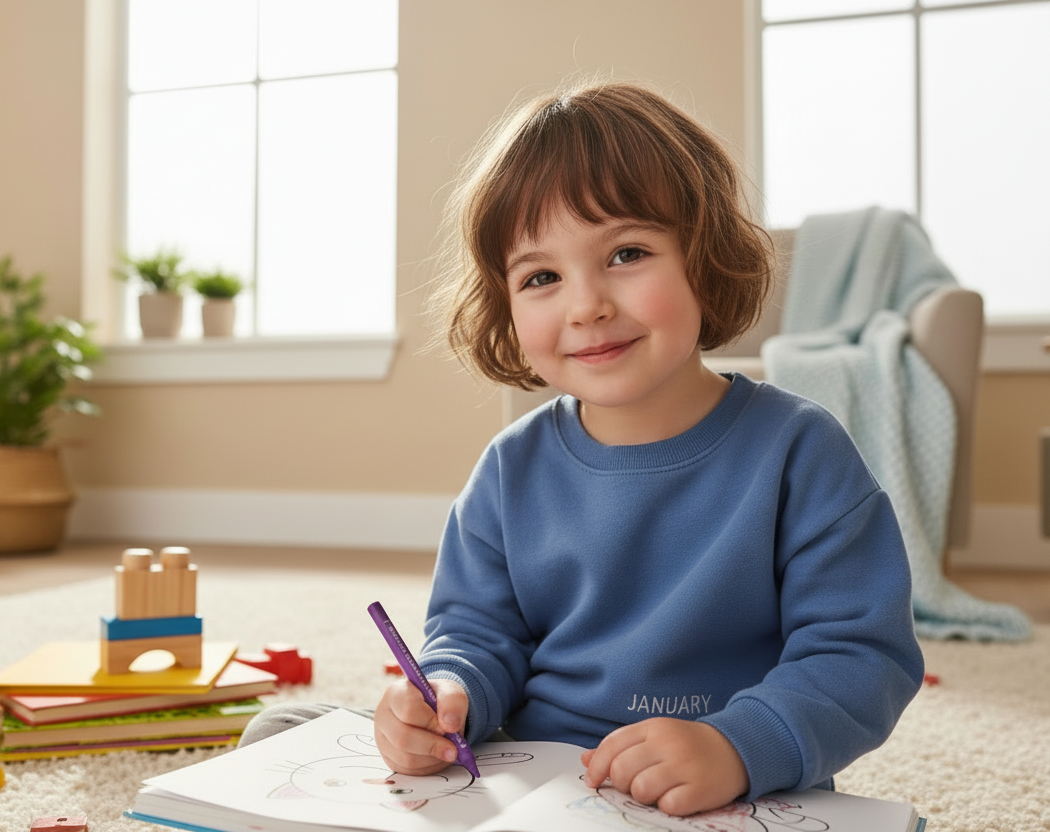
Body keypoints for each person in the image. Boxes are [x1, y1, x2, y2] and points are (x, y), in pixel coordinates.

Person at [241, 80, 924, 818]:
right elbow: (476, 632)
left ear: (704, 256)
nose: (586, 305)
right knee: (277, 730)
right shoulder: (510, 469)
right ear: (505, 304)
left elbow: (861, 656)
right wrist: (447, 695)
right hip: (532, 782)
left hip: (720, 793)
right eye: (541, 276)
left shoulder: (800, 451)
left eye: (626, 253)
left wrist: (738, 746)